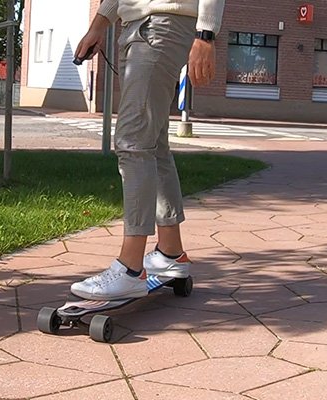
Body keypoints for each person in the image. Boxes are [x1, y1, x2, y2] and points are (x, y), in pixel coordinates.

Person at [70, 0, 224, 300]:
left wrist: (206, 34)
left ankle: (130, 269)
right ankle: (170, 252)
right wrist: (98, 26)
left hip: (163, 23)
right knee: (153, 144)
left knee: (133, 142)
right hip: (137, 26)